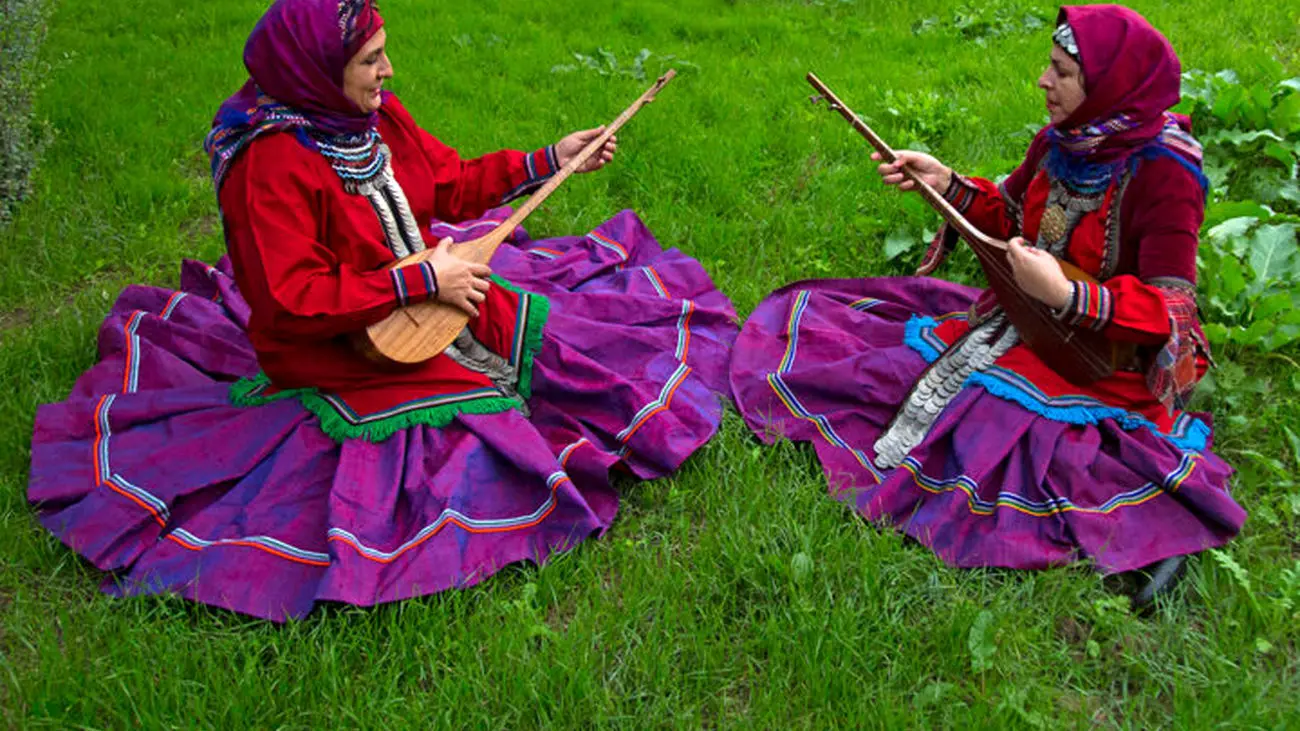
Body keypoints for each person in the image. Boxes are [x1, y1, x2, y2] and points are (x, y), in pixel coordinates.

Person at [28, 0, 737, 621]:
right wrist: (421, 276)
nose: (388, 69)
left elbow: (448, 182)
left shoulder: (363, 113)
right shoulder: (267, 164)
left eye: (382, 51)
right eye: (371, 58)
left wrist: (550, 158)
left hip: (412, 282)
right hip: (330, 340)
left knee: (539, 335)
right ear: (316, 68)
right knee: (471, 422)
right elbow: (291, 297)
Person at [729, 4, 1245, 606]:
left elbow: (1174, 311)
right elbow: (1010, 217)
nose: (1043, 82)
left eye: (1062, 72)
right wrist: (945, 181)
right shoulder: (1060, 142)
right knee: (901, 373)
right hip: (1029, 326)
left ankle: (1152, 535)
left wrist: (1067, 293)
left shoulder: (1164, 172)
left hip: (1106, 360)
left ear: (1108, 85)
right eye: (1048, 67)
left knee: (1006, 431)